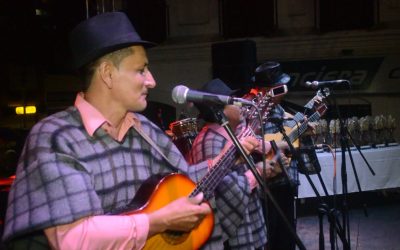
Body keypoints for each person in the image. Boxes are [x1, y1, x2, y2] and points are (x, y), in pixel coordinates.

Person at [1, 12, 260, 249]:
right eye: (141, 70)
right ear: (107, 74)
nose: (152, 81)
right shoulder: (56, 137)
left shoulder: (145, 130)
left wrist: (226, 157)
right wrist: (158, 221)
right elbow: (74, 238)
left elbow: (183, 183)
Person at [188, 78, 289, 250]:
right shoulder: (210, 140)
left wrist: (268, 167)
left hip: (247, 224)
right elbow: (219, 189)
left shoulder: (230, 134)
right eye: (234, 103)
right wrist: (257, 172)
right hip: (232, 237)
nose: (241, 105)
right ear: (220, 111)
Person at [249, 61, 319, 250]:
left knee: (287, 235)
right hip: (266, 184)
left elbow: (287, 132)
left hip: (286, 180)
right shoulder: (252, 111)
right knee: (271, 236)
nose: (284, 90)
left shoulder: (279, 109)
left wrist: (302, 130)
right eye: (280, 87)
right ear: (266, 90)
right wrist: (278, 145)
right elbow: (249, 142)